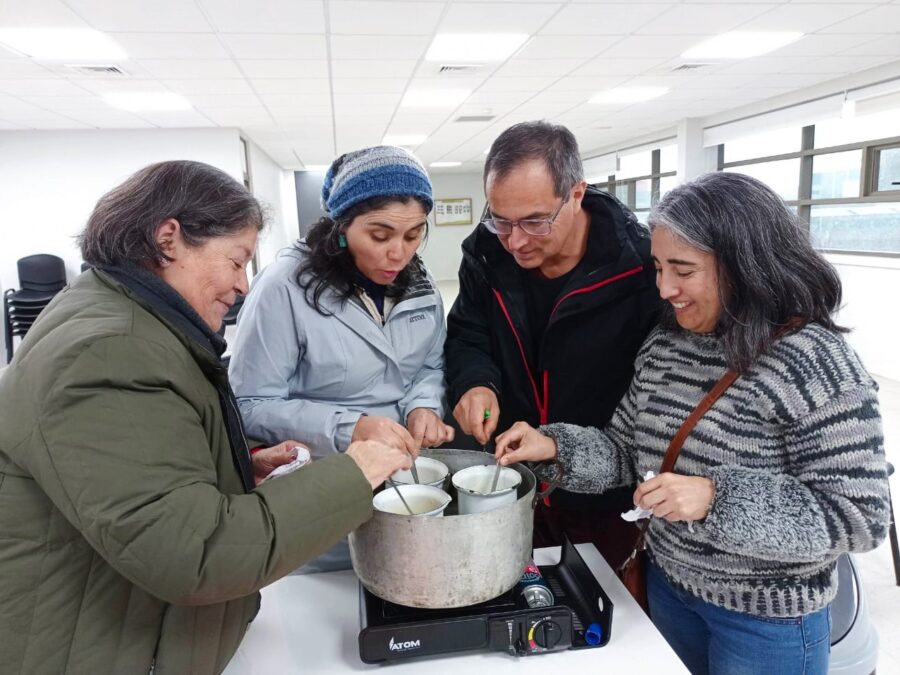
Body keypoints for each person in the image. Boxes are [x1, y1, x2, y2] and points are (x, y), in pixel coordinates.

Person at [0, 160, 411, 675]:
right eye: (237, 260)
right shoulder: (109, 352)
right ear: (169, 238)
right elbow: (195, 554)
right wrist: (357, 471)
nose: (243, 286)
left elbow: (135, 484)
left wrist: (234, 468)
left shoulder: (119, 320)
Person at [494, 171, 891, 674]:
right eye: (658, 267)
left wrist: (714, 499)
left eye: (683, 270)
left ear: (747, 264)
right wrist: (554, 447)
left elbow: (859, 515)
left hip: (766, 623)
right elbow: (625, 452)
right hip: (669, 592)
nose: (665, 289)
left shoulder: (814, 361)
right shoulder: (667, 346)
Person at [444, 120, 660, 568]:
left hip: (604, 493)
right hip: (511, 478)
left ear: (576, 194)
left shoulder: (640, 268)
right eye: (501, 220)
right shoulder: (486, 254)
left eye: (535, 221)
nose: (516, 241)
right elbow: (468, 332)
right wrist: (475, 382)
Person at [229, 146, 453, 571]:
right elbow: (249, 405)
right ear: (341, 227)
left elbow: (428, 366)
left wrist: (424, 405)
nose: (399, 254)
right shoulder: (284, 289)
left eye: (413, 235)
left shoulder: (421, 286)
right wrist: (351, 429)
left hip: (403, 478)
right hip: (322, 489)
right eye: (380, 235)